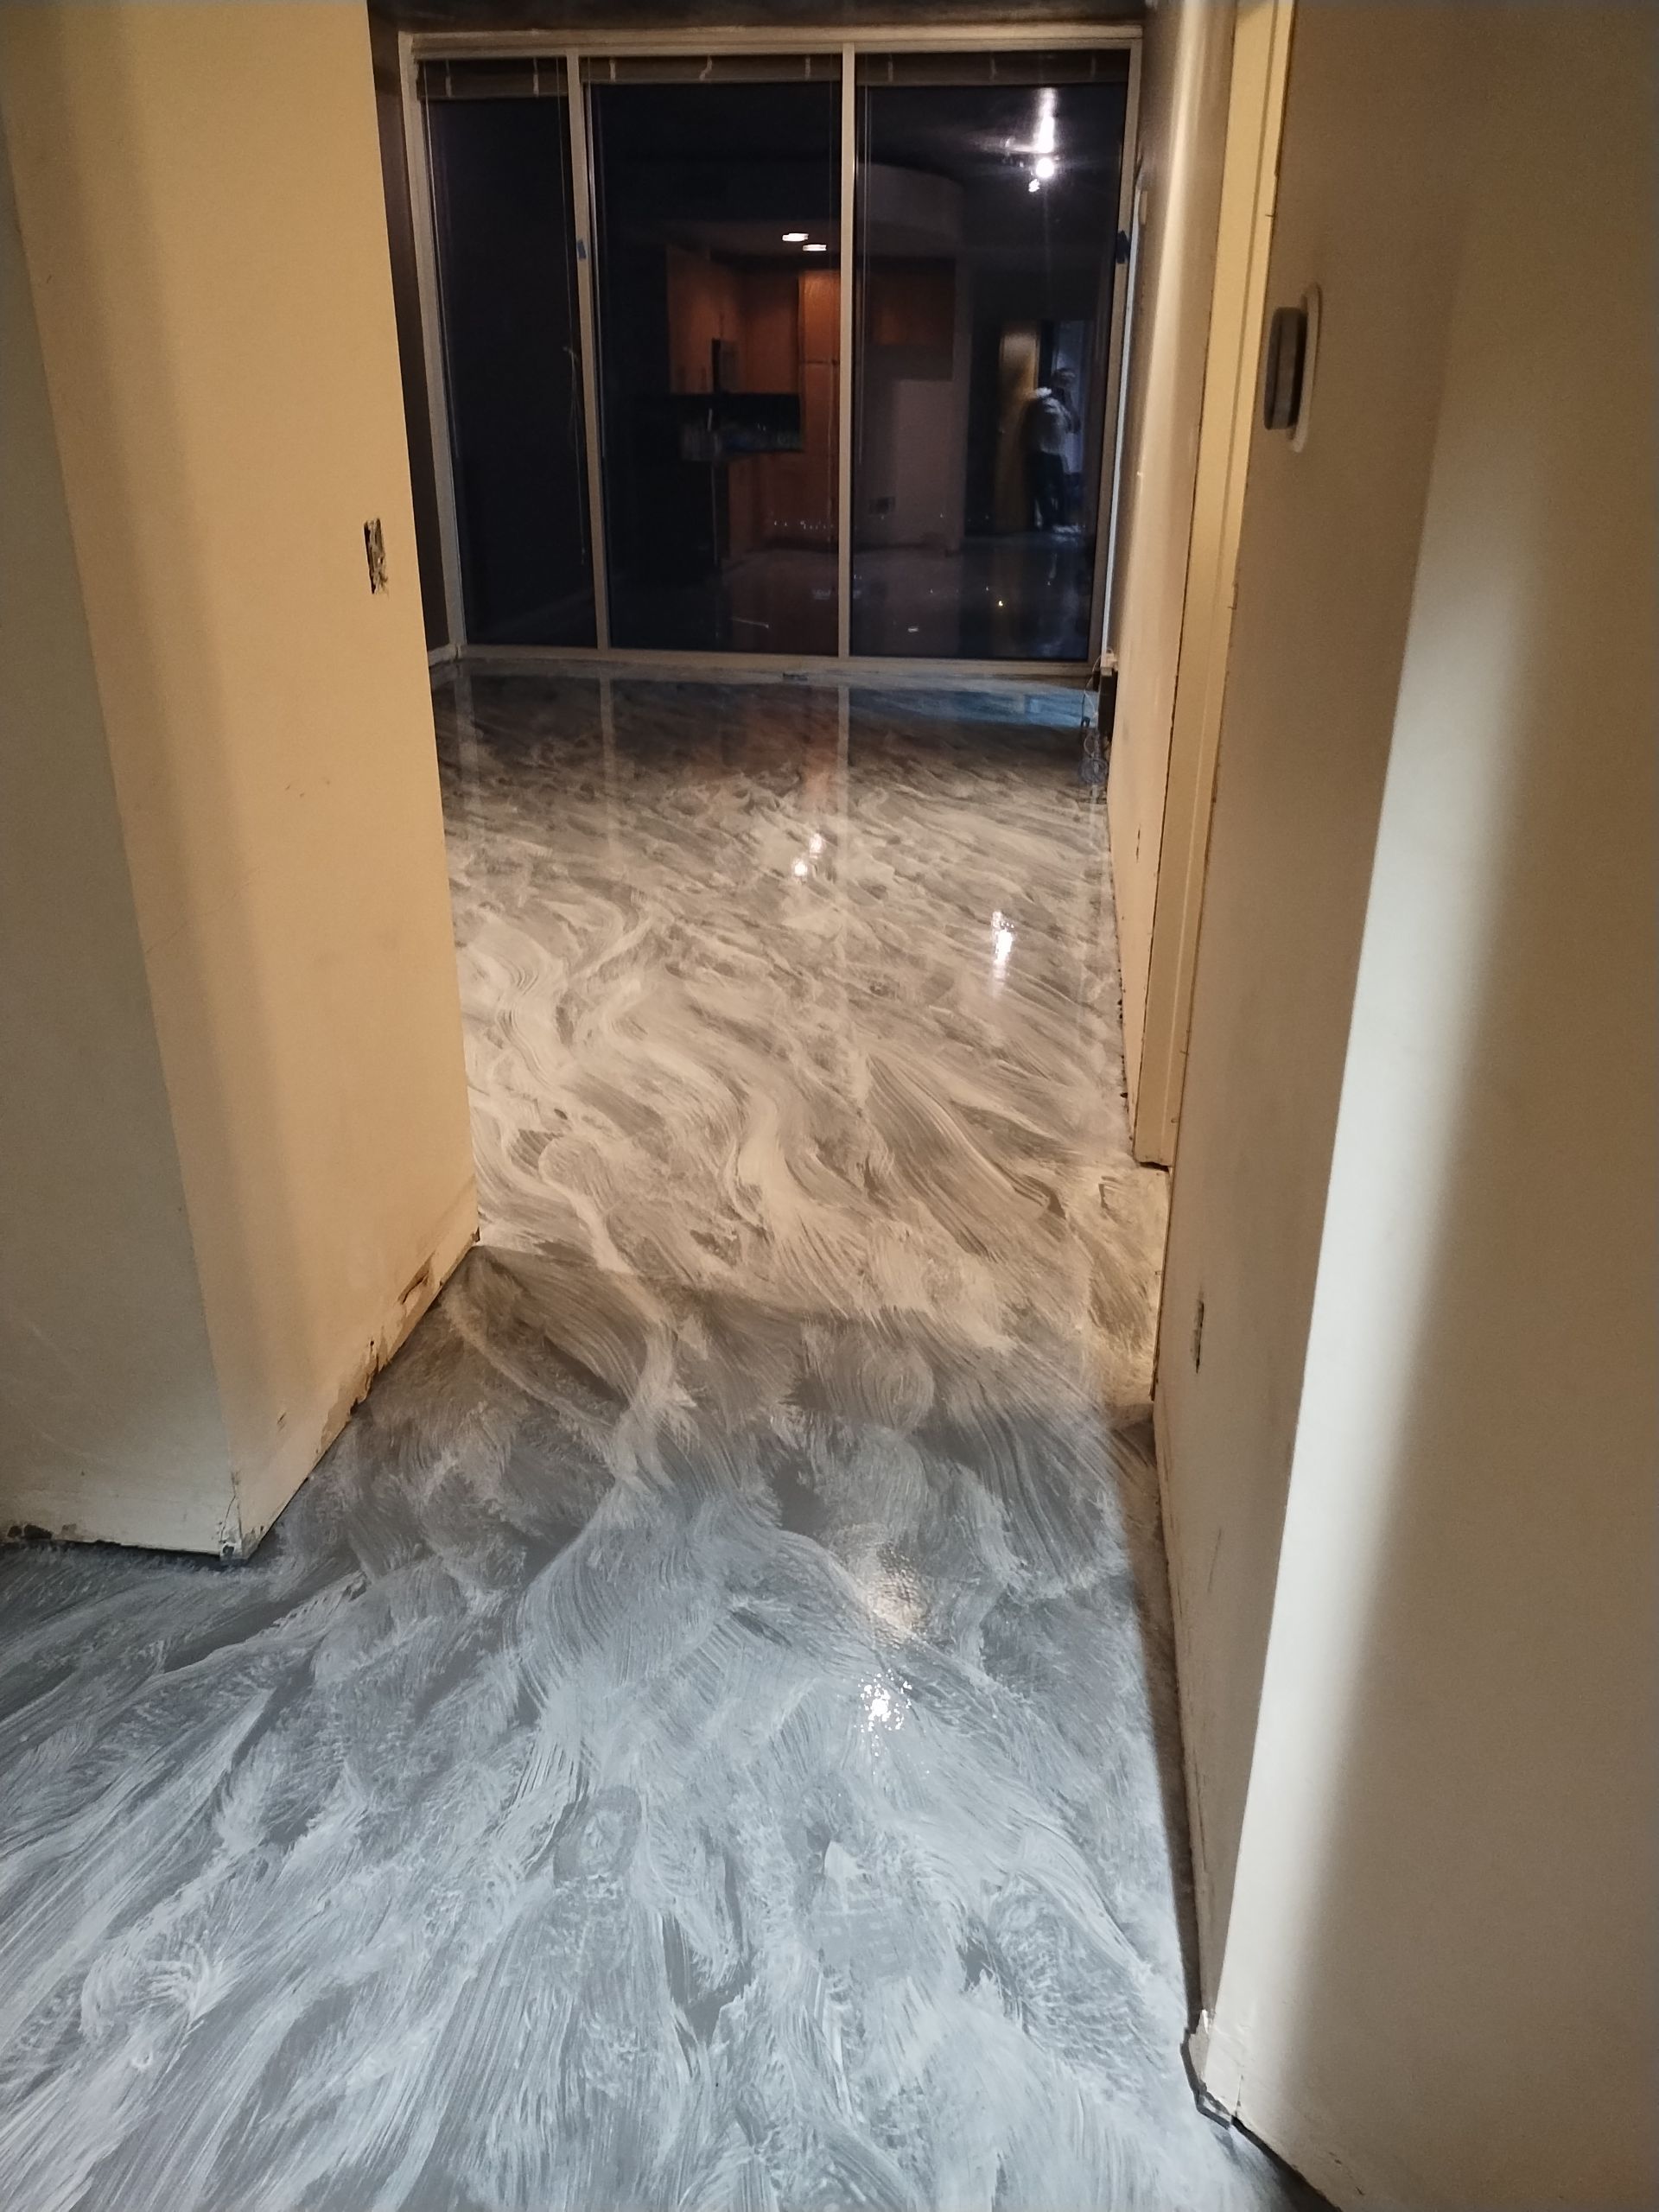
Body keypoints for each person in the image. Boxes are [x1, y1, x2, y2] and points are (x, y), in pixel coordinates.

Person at [1024, 366, 1078, 531]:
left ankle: (1061, 520)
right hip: (1041, 449)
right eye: (1064, 381)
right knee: (1043, 488)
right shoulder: (1043, 397)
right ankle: (1050, 521)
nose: (1066, 385)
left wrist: (1068, 401)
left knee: (1062, 488)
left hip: (1056, 451)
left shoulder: (1063, 405)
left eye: (1070, 382)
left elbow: (1075, 426)